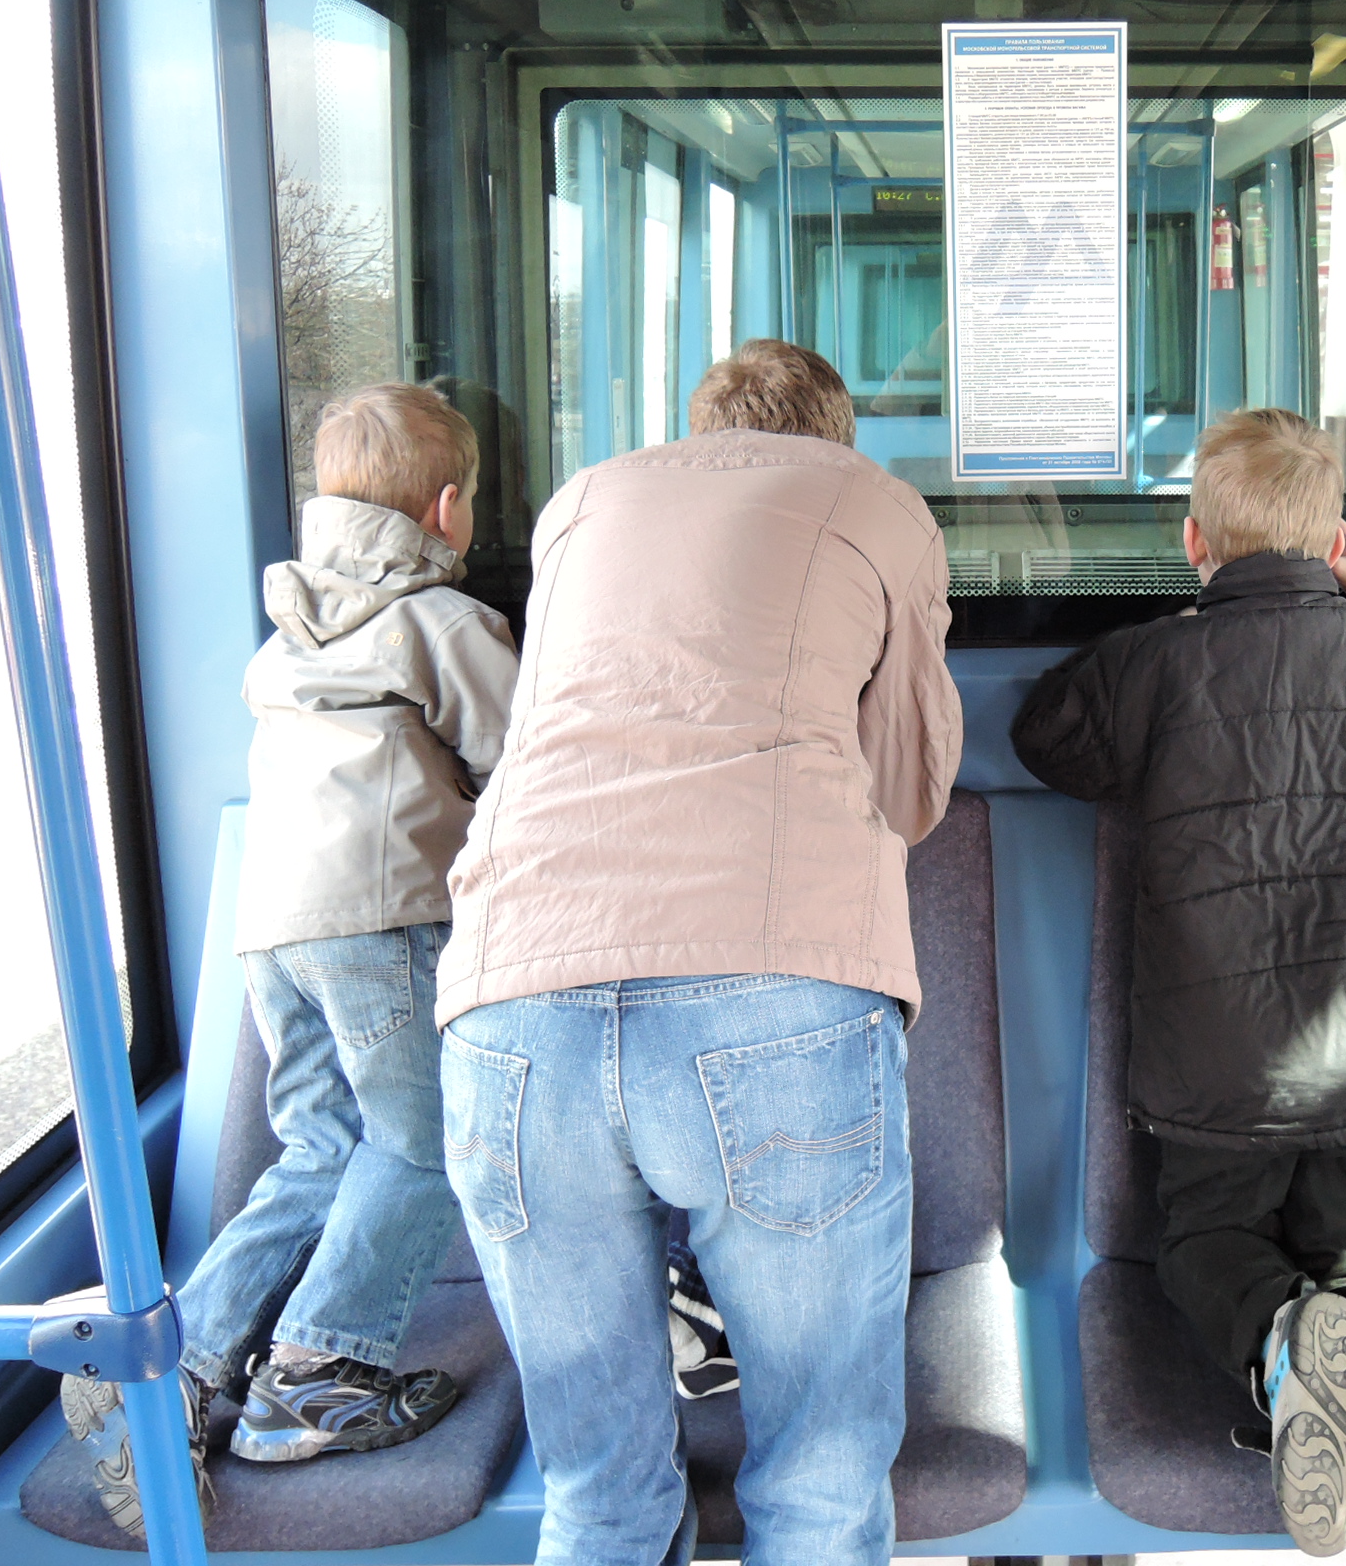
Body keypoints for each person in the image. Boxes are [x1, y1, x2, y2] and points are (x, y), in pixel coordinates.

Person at [435, 339, 961, 1566]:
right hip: (773, 999)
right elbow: (906, 786)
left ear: (695, 427)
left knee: (596, 1496)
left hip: (514, 995)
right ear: (834, 435)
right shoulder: (875, 504)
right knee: (819, 1487)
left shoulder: (582, 504)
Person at [1009, 409, 1346, 1566]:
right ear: (1333, 538)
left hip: (1221, 1061)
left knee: (1206, 1237)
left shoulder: (1154, 665)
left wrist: (1162, 636)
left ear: (1193, 542)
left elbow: (1044, 730)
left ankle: (1288, 1338)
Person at [59, 383, 517, 1538]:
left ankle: (166, 1372)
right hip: (380, 920)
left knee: (321, 1147)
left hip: (273, 927)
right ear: (447, 508)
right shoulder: (442, 625)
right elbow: (524, 766)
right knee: (424, 1146)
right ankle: (318, 1371)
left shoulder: (289, 632)